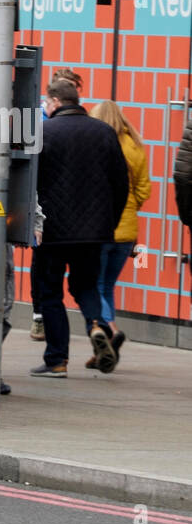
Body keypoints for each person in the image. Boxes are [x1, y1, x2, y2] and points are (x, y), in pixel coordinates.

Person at [30, 77, 128, 378]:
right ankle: (97, 325)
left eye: (47, 102)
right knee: (85, 285)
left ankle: (56, 360)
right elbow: (121, 183)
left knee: (49, 291)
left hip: (53, 231)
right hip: (94, 232)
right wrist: (108, 223)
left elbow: (31, 182)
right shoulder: (104, 132)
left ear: (56, 102)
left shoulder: (44, 132)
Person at [87, 100, 150, 370]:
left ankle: (109, 329)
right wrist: (131, 207)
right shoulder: (134, 145)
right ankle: (104, 350)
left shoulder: (97, 144)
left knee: (93, 285)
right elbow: (144, 189)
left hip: (100, 227)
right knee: (107, 286)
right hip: (127, 231)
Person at [30, 67, 86, 342]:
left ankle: (57, 355)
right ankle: (39, 317)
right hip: (50, 210)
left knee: (56, 280)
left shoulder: (85, 121)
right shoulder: (41, 122)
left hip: (70, 212)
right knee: (44, 273)